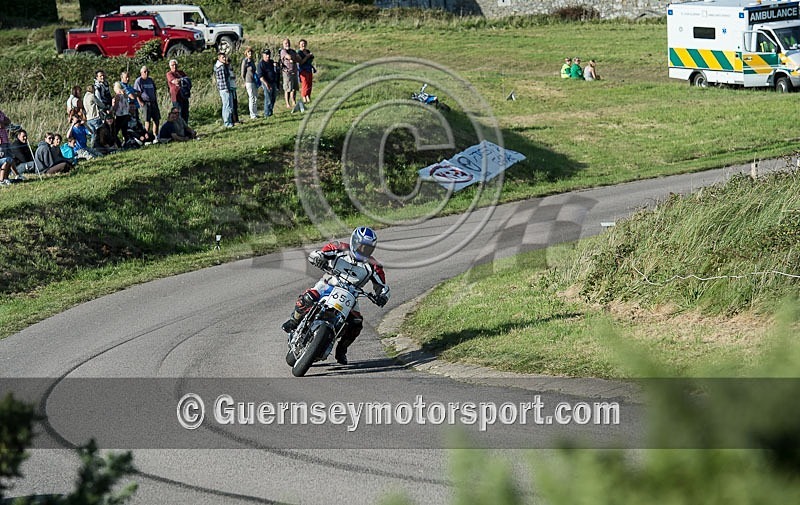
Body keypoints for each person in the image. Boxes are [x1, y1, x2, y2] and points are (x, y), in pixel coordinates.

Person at [281, 227, 390, 365]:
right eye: (361, 246)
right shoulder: (339, 248)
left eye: (367, 248)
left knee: (357, 323)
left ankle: (342, 349)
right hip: (329, 282)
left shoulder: (374, 266)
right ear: (354, 241)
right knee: (308, 297)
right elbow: (317, 253)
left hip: (351, 294)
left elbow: (382, 286)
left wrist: (382, 296)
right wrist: (319, 258)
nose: (363, 250)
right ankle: (294, 321)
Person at [134, 65, 161, 139]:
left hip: (153, 102)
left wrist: (155, 99)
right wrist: (140, 102)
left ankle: (155, 135)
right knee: (147, 120)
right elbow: (137, 93)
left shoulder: (150, 80)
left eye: (147, 71)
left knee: (156, 119)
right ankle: (146, 136)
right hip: (145, 102)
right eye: (145, 71)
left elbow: (154, 90)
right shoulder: (139, 81)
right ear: (141, 72)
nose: (146, 73)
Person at [280, 38, 302, 112]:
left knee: (294, 88)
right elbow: (288, 57)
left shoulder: (293, 51)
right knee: (287, 89)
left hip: (294, 71)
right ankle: (287, 103)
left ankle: (293, 101)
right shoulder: (283, 51)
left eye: (288, 43)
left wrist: (294, 59)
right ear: (283, 44)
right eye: (286, 43)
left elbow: (299, 59)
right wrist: (293, 58)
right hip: (287, 72)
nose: (287, 44)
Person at [214, 51, 235, 128]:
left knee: (228, 105)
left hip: (224, 88)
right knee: (227, 105)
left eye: (225, 57)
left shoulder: (221, 66)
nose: (224, 59)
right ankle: (227, 122)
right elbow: (223, 79)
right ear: (219, 58)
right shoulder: (221, 67)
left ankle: (229, 121)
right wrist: (226, 89)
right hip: (224, 89)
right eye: (223, 57)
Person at [166, 59, 190, 123]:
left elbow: (188, 81)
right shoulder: (169, 74)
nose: (174, 66)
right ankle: (179, 129)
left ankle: (185, 129)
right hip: (176, 97)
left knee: (186, 113)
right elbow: (175, 81)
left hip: (184, 95)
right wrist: (182, 80)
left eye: (175, 65)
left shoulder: (181, 72)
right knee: (179, 113)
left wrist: (181, 80)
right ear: (170, 66)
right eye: (172, 65)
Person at [258, 48, 279, 118]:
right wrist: (266, 84)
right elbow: (261, 77)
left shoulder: (271, 62)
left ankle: (270, 111)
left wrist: (276, 66)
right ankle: (266, 114)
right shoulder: (261, 64)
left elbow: (276, 71)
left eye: (269, 54)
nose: (268, 56)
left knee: (273, 98)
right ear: (263, 55)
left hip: (273, 82)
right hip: (266, 82)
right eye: (266, 54)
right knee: (268, 98)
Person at [241, 46, 259, 119]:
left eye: (251, 52)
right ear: (246, 53)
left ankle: (255, 112)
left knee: (255, 97)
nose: (250, 53)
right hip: (248, 81)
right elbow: (242, 73)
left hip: (254, 81)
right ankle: (252, 114)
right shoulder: (245, 61)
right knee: (251, 97)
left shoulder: (252, 61)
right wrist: (244, 81)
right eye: (248, 52)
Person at [297, 39, 315, 105]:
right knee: (305, 83)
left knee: (309, 83)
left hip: (309, 69)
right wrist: (307, 57)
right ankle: (304, 96)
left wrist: (311, 56)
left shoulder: (307, 51)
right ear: (299, 45)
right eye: (301, 44)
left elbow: (311, 59)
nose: (303, 45)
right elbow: (301, 62)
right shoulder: (299, 53)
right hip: (303, 70)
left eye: (304, 43)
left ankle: (308, 96)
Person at [225, 54, 242, 124]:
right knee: (231, 105)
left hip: (233, 88)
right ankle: (232, 120)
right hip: (230, 89)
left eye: (229, 61)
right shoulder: (226, 69)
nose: (229, 63)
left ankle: (236, 119)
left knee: (235, 105)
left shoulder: (231, 69)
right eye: (228, 62)